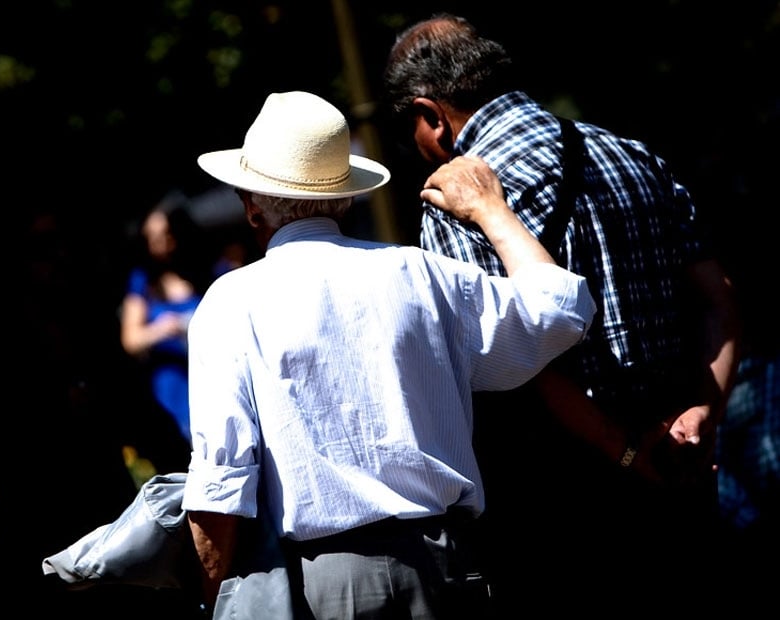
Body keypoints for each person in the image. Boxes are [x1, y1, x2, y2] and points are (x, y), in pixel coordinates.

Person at [182, 90, 596, 619]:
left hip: (326, 589)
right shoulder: (420, 273)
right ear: (345, 197)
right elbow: (560, 310)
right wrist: (491, 210)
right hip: (448, 568)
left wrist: (212, 597)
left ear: (251, 207)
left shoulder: (231, 302)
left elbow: (222, 481)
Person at [382, 13, 742, 608]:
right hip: (685, 469)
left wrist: (624, 452)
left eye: (409, 134)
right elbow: (720, 300)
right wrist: (704, 412)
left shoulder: (455, 197)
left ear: (431, 116)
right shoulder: (629, 153)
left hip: (567, 502)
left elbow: (514, 365)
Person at [119, 192, 214, 476]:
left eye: (165, 234)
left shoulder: (205, 274)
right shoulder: (143, 283)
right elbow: (131, 339)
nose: (159, 243)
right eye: (152, 236)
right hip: (168, 391)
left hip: (205, 383)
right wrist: (165, 328)